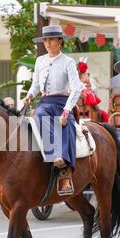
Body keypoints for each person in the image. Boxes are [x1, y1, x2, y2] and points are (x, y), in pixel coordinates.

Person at [23, 25, 81, 195]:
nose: (47, 43)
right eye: (45, 40)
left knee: (66, 125)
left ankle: (64, 168)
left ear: (59, 41)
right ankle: (46, 160)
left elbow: (76, 89)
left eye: (51, 40)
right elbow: (35, 84)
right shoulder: (39, 61)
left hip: (63, 102)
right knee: (38, 116)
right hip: (45, 102)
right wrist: (29, 95)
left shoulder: (68, 62)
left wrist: (66, 111)